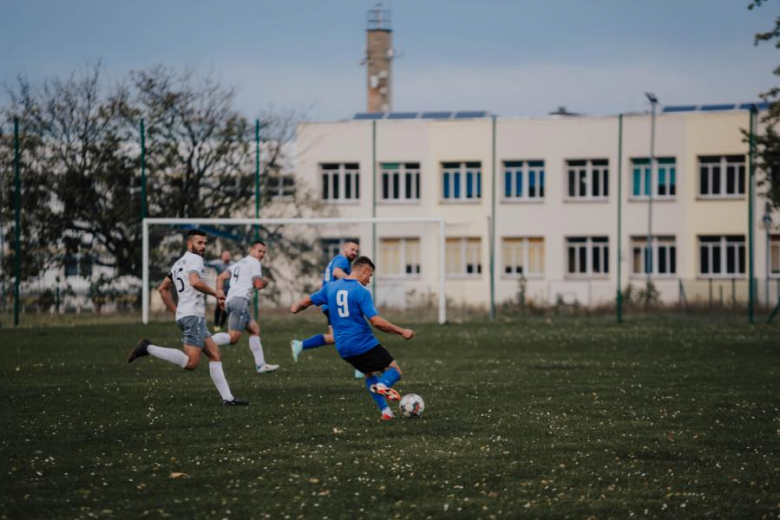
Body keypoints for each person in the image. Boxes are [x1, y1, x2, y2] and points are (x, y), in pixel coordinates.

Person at [127, 229, 247, 406]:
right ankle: (147, 347)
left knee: (215, 354)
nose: (203, 246)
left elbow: (163, 288)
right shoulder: (195, 259)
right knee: (191, 363)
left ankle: (228, 399)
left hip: (188, 315)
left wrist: (176, 310)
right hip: (193, 316)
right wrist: (217, 293)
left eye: (205, 243)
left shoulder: (177, 264)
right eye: (200, 243)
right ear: (190, 244)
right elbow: (194, 282)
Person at [290, 256, 415, 420]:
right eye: (369, 276)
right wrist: (401, 331)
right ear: (364, 270)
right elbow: (376, 322)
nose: (369, 281)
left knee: (369, 373)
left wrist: (295, 307)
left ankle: (386, 412)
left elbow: (308, 301)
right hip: (362, 342)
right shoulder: (361, 292)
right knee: (394, 371)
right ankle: (383, 385)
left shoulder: (331, 287)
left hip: (343, 348)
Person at [290, 241, 361, 376]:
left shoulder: (335, 260)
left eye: (357, 251)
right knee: (354, 331)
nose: (355, 253)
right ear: (344, 248)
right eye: (352, 249)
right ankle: (361, 366)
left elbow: (327, 277)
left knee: (336, 337)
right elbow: (337, 272)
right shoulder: (342, 260)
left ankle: (300, 345)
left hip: (330, 302)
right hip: (335, 302)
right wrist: (353, 282)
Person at [211, 240, 279, 374]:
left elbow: (220, 278)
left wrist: (220, 297)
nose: (262, 254)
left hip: (231, 301)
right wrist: (266, 281)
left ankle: (261, 365)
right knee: (233, 338)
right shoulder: (254, 263)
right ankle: (203, 342)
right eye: (259, 251)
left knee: (254, 329)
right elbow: (259, 284)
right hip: (240, 301)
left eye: (264, 252)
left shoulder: (238, 263)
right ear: (251, 250)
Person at [205, 251, 234, 331]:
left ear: (230, 257)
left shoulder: (233, 264)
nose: (226, 257)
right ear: (222, 257)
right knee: (218, 307)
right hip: (220, 289)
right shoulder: (218, 263)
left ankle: (221, 325)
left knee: (226, 308)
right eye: (225, 256)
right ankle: (216, 324)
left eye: (228, 255)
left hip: (230, 290)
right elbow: (207, 263)